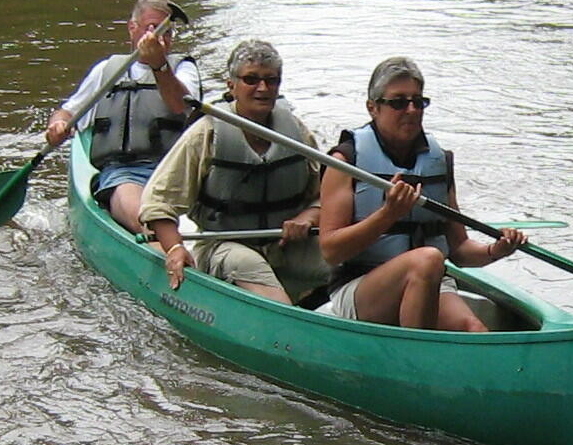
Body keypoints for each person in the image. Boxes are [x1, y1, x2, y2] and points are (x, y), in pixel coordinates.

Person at [315, 57, 527, 332]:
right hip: (361, 286)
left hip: (430, 279)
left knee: (474, 329)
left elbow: (459, 249)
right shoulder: (345, 162)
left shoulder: (439, 162)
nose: (412, 110)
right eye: (399, 102)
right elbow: (331, 251)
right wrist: (388, 215)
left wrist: (495, 250)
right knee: (427, 260)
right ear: (373, 107)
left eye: (418, 101)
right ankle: (416, 353)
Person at [139, 39, 332, 305]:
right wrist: (174, 248)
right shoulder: (206, 133)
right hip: (223, 245)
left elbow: (327, 194)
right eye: (251, 80)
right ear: (232, 85)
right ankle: (285, 316)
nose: (262, 88)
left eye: (271, 80)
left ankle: (331, 311)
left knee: (345, 257)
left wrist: (309, 216)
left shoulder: (297, 132)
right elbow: (158, 202)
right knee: (246, 263)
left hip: (285, 245)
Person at [44, 0, 201, 233]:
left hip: (175, 172)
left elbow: (180, 105)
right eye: (151, 27)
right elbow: (67, 112)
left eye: (167, 32)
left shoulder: (183, 69)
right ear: (132, 28)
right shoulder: (107, 70)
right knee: (149, 221)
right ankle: (165, 249)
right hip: (124, 174)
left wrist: (159, 66)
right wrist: (57, 126)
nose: (159, 37)